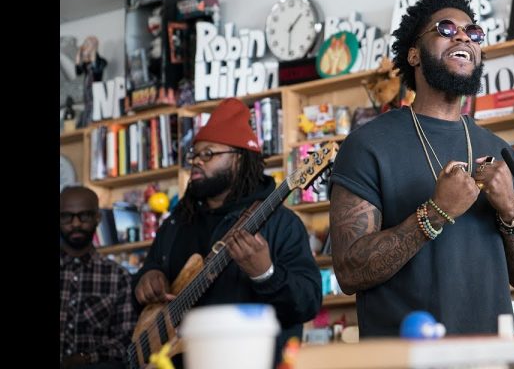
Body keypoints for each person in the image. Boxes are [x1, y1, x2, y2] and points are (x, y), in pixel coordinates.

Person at [329, 0, 514, 337]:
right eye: (446, 29)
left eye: (473, 33)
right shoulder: (367, 145)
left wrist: (511, 210)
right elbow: (349, 272)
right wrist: (435, 213)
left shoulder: (499, 151)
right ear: (413, 54)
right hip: (406, 354)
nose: (463, 37)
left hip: (490, 354)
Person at [133, 98, 322, 368]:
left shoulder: (282, 224)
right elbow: (148, 279)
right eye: (194, 155)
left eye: (208, 154)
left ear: (239, 159)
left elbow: (307, 304)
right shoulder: (176, 223)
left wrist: (266, 274)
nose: (196, 162)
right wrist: (147, 277)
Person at [60, 186, 137, 369]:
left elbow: (128, 341)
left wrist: (86, 359)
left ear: (97, 217)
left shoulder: (119, 278)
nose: (76, 224)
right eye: (66, 217)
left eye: (84, 216)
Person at [75, 36, 107, 128]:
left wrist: (92, 51)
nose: (85, 46)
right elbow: (78, 71)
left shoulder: (101, 62)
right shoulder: (85, 65)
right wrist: (79, 53)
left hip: (96, 96)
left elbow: (95, 68)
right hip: (87, 97)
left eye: (88, 44)